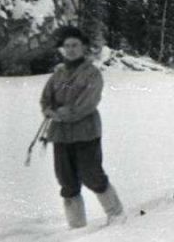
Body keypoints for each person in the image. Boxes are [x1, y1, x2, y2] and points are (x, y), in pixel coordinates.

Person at [39, 26, 124, 228]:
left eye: (75, 45)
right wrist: (48, 110)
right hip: (60, 134)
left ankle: (116, 213)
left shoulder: (92, 73)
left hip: (86, 132)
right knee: (66, 181)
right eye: (67, 46)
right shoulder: (58, 74)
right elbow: (46, 99)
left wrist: (59, 114)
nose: (71, 49)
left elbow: (87, 103)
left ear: (83, 47)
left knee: (92, 174)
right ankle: (77, 226)